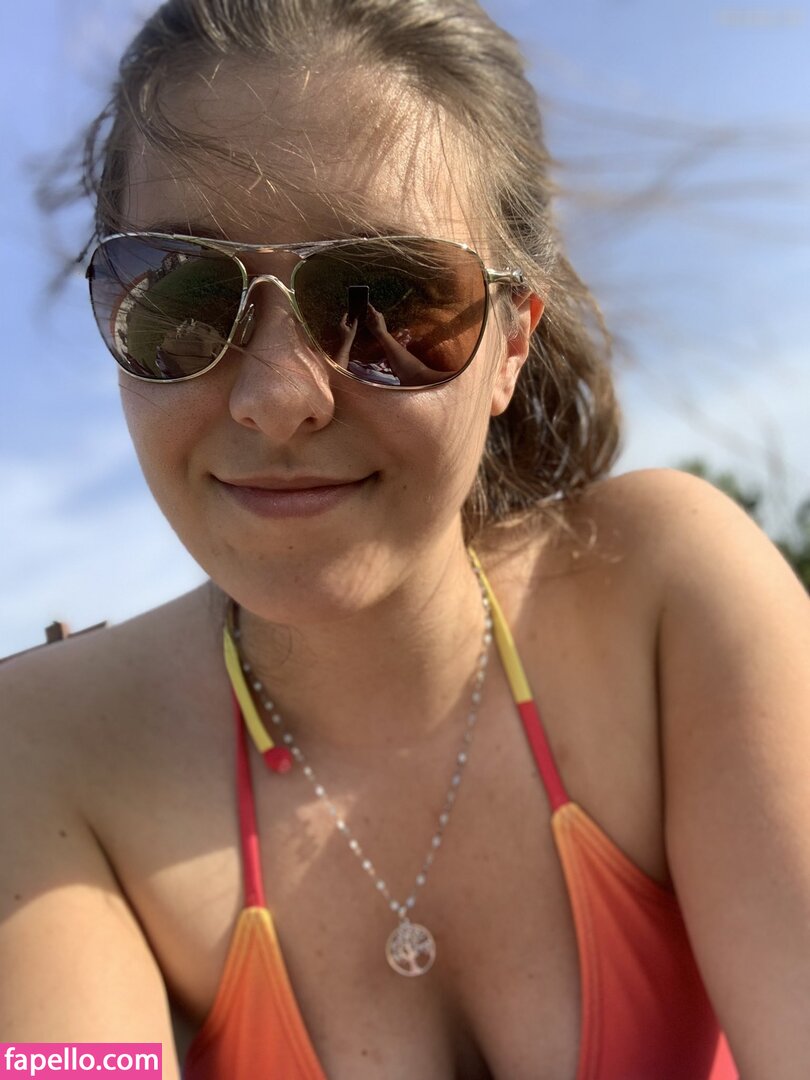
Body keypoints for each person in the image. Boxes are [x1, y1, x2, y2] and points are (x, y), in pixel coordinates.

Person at [2, 1, 809, 1077]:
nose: (276, 398)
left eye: (387, 298)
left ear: (511, 344)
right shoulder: (41, 753)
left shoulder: (669, 599)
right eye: (181, 295)